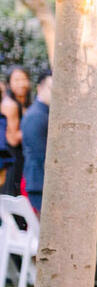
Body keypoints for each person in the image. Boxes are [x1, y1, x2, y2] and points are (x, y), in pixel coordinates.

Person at [20, 72, 51, 213]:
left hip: (38, 181)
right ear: (40, 88)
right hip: (39, 183)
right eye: (51, 88)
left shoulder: (42, 112)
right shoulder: (37, 115)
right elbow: (40, 155)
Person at [0, 67, 31, 196]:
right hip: (13, 158)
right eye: (17, 80)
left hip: (22, 157)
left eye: (24, 79)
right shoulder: (10, 105)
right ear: (9, 83)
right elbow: (12, 139)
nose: (22, 84)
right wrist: (35, 130)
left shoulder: (24, 103)